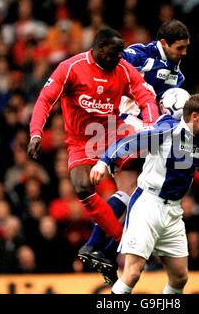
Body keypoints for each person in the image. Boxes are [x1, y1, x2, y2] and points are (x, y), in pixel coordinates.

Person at [79, 20, 199, 285]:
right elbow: (105, 61)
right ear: (163, 44)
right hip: (127, 125)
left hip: (152, 130)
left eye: (186, 48)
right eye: (180, 48)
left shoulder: (178, 76)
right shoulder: (140, 55)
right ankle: (96, 245)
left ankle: (98, 247)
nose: (184, 53)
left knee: (147, 180)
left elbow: (186, 145)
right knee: (142, 182)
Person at [27, 28, 160, 251]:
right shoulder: (71, 68)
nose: (120, 57)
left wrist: (149, 127)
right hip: (81, 140)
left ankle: (133, 236)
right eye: (115, 52)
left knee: (155, 161)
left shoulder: (123, 70)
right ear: (99, 49)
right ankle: (122, 240)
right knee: (81, 187)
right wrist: (36, 132)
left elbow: (145, 97)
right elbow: (45, 99)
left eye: (122, 52)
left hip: (114, 132)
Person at [89, 94, 199, 294]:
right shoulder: (166, 131)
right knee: (133, 272)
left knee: (179, 277)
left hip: (173, 211)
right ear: (194, 117)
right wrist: (103, 162)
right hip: (148, 204)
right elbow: (129, 142)